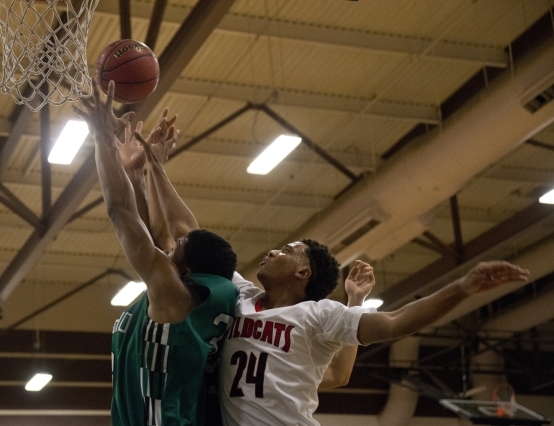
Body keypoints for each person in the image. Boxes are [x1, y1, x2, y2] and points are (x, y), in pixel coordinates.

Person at [131, 117, 530, 425]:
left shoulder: (319, 314)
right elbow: (189, 234)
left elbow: (395, 323)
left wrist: (461, 287)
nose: (274, 250)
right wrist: (155, 166)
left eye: (288, 250)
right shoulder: (240, 296)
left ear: (303, 273)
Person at [72, 79, 239, 426]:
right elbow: (164, 234)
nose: (168, 246)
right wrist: (138, 171)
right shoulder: (200, 294)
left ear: (186, 270)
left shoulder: (173, 296)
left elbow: (121, 212)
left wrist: (102, 138)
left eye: (176, 250)